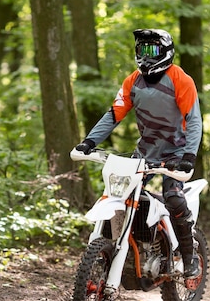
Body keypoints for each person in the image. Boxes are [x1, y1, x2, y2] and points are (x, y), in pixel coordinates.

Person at [75, 28, 203, 279]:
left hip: (176, 153)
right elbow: (114, 114)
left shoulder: (181, 79)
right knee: (119, 195)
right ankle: (126, 254)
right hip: (145, 153)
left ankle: (188, 259)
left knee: (174, 198)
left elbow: (194, 120)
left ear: (165, 52)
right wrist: (88, 142)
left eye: (152, 50)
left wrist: (189, 157)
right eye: (141, 50)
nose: (146, 56)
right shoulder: (133, 81)